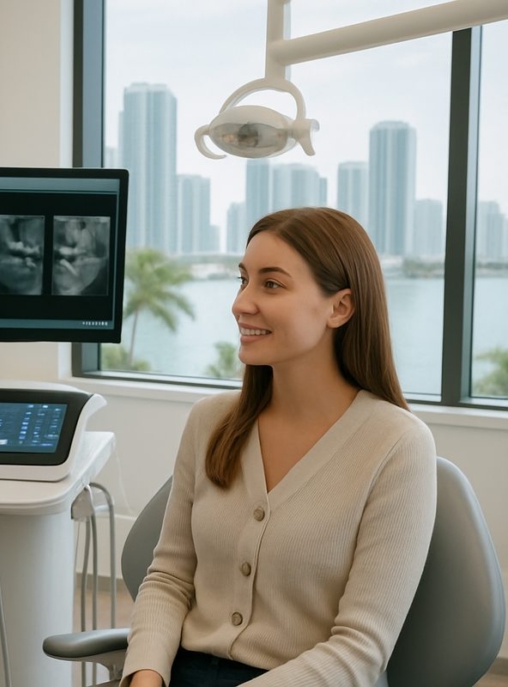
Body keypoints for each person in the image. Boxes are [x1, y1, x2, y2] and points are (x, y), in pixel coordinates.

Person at [121, 207, 437, 687]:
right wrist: (145, 677)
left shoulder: (397, 445)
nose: (241, 303)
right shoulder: (210, 422)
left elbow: (361, 649)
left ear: (340, 307)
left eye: (271, 284)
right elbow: (168, 577)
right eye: (243, 280)